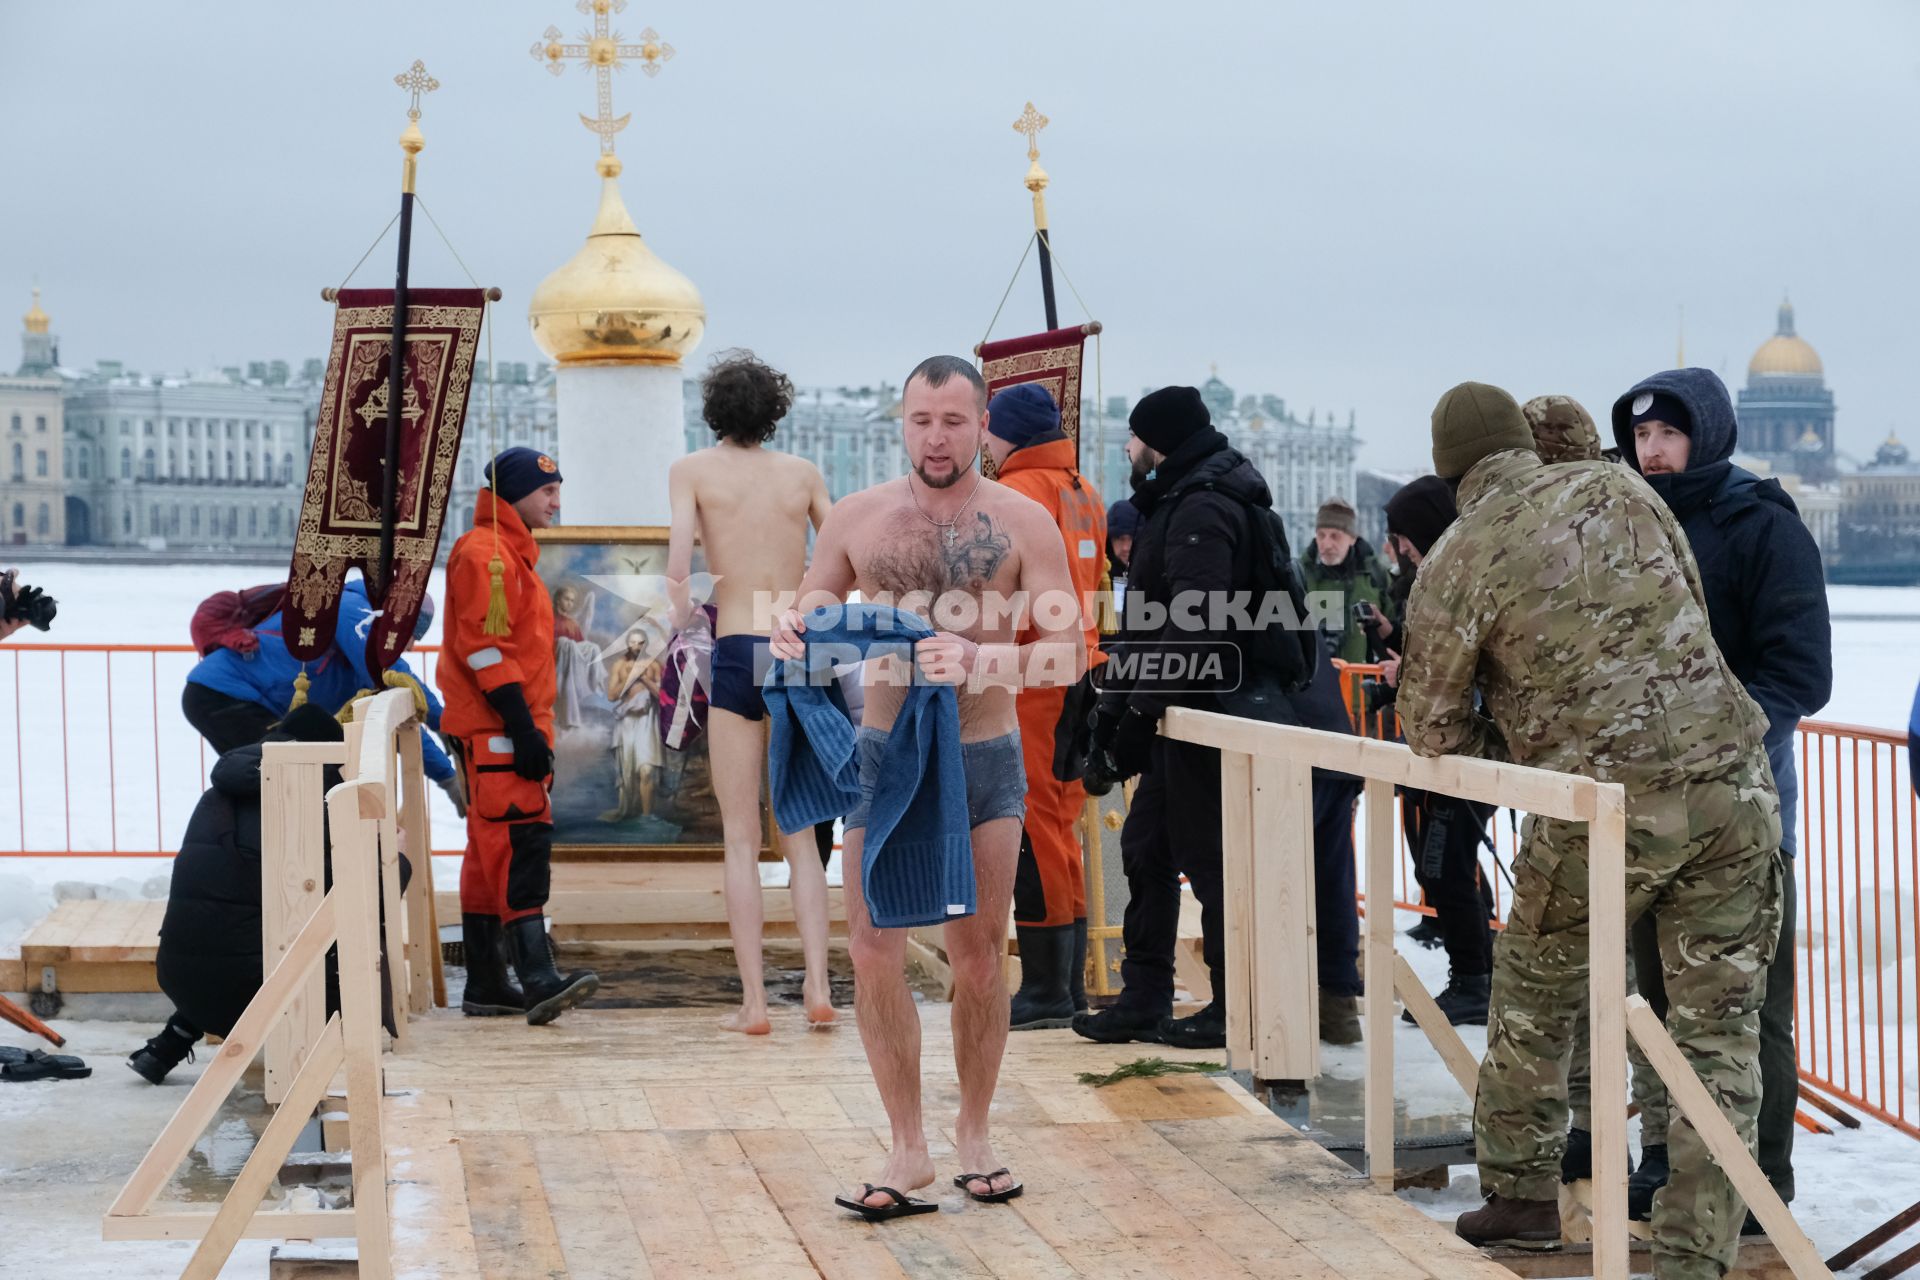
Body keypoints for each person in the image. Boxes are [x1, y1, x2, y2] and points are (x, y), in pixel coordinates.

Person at [1398, 381, 1782, 1280]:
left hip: (1601, 810)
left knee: (1536, 992)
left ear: (1451, 469)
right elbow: (1688, 614)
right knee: (1719, 1031)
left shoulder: (1459, 554)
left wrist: (1526, 734)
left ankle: (1525, 1194)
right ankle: (1696, 1256)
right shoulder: (1624, 490)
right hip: (1732, 782)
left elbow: (1433, 730)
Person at [771, 354, 1083, 1217]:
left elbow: (1070, 651)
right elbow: (809, 619)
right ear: (900, 422)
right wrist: (793, 632)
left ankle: (973, 1133)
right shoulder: (856, 519)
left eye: (953, 421)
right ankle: (906, 1149)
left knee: (978, 955)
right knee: (872, 947)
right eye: (920, 420)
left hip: (984, 753)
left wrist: (983, 657)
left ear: (983, 426)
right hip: (884, 752)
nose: (936, 437)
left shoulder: (1025, 522)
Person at [1600, 368, 1832, 1223]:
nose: (1651, 453)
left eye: (1667, 435)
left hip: (1746, 813)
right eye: (1640, 438)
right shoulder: (1624, 521)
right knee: (1655, 1001)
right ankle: (1670, 1158)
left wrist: (1707, 745)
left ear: (1708, 432)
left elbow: (1802, 674)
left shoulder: (1761, 526)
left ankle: (1760, 1176)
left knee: (1751, 1010)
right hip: (1641, 812)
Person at [1067, 386, 1349, 1050]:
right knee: (1146, 847)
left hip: (1216, 710)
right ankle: (1143, 995)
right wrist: (1119, 709)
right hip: (1187, 708)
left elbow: (1194, 630)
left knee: (1211, 861)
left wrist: (1132, 715)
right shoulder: (1183, 498)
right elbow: (1156, 623)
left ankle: (1234, 1004)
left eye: (1132, 441)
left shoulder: (1202, 507)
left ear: (1155, 443)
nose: (1127, 453)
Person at [666, 348, 836, 1034]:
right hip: (796, 649)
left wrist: (682, 626)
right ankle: (820, 990)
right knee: (800, 836)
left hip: (734, 647)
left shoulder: (692, 471)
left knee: (740, 838)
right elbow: (841, 552)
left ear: (713, 411)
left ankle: (756, 1004)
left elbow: (680, 567)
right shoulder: (803, 474)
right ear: (776, 411)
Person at [133, 705, 412, 1081]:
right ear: (326, 752)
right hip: (252, 989)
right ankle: (308, 1079)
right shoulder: (309, 798)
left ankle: (172, 1040)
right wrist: (396, 858)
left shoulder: (218, 794)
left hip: (181, 979)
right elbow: (360, 901)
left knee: (236, 930)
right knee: (331, 942)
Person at [438, 448, 599, 1026]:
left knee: (488, 857)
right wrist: (521, 727)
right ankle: (536, 977)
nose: (557, 501)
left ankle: (485, 983)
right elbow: (484, 649)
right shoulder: (488, 555)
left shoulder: (506, 552)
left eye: (558, 489)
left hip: (499, 731)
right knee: (520, 843)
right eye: (546, 491)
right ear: (515, 493)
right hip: (500, 733)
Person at [981, 383, 1107, 1030]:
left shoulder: (1019, 493)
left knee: (1033, 823)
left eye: (989, 429)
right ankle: (1063, 983)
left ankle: (1047, 989)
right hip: (1079, 668)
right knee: (1060, 825)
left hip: (1037, 676)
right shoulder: (1083, 488)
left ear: (1009, 434)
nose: (984, 441)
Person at [1378, 473, 1496, 1026]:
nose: (1397, 551)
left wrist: (1412, 674)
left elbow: (1470, 667)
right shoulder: (1435, 581)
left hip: (1467, 750)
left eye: (1402, 539)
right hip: (1447, 749)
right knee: (1444, 862)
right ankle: (1477, 969)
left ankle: (1475, 977)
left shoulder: (1460, 582)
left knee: (1445, 864)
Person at [180, 579, 459, 805]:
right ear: (396, 618)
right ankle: (264, 863)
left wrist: (448, 779)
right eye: (412, 632)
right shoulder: (349, 609)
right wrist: (444, 723)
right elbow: (396, 675)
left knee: (284, 786)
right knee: (286, 784)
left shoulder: (359, 662)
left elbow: (399, 714)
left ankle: (270, 862)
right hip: (222, 694)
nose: (410, 645)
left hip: (242, 700)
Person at [1296, 497, 1391, 665]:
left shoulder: (1375, 576)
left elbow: (1394, 631)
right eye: (1321, 535)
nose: (1326, 544)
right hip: (1314, 685)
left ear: (1352, 538)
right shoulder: (1299, 576)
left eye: (1335, 536)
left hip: (1362, 685)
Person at [603, 629, 664, 821]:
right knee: (627, 774)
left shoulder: (654, 665)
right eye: (633, 642)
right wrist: (631, 678)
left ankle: (647, 818)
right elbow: (612, 695)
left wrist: (644, 677)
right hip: (627, 722)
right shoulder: (620, 665)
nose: (636, 646)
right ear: (627, 644)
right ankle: (630, 812)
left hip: (647, 721)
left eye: (640, 642)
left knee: (646, 770)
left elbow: (662, 696)